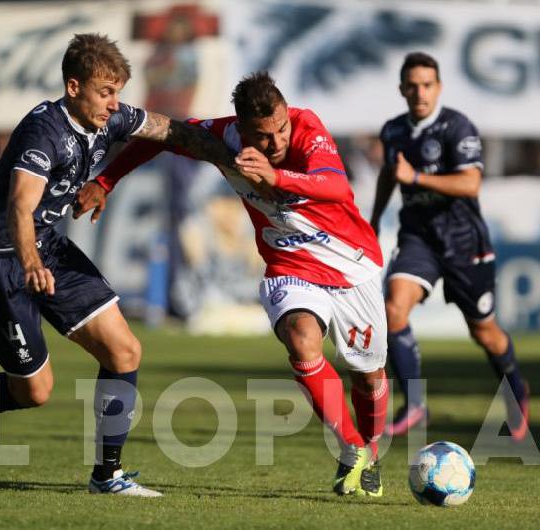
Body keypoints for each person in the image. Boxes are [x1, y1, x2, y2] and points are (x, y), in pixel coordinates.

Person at [0, 33, 234, 497]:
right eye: (104, 92)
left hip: (46, 248)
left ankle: (107, 477)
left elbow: (173, 132)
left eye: (117, 93)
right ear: (74, 87)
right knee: (35, 392)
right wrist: (30, 264)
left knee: (124, 351)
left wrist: (235, 159)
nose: (114, 104)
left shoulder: (108, 116)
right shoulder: (44, 132)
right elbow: (18, 207)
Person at [75, 72, 390, 497]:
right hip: (290, 264)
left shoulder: (308, 128)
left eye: (281, 129)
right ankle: (352, 447)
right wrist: (105, 180)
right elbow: (163, 136)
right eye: (263, 136)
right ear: (242, 129)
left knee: (369, 377)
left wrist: (277, 177)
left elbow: (335, 186)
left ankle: (370, 451)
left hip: (353, 266)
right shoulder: (224, 137)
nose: (276, 142)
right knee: (301, 340)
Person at [368, 52, 529, 440]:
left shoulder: (457, 127)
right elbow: (390, 176)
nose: (420, 92)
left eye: (427, 85)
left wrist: (417, 177)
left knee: (485, 332)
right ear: (402, 89)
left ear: (438, 87)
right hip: (417, 238)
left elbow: (470, 183)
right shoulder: (393, 131)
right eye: (413, 85)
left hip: (463, 242)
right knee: (393, 307)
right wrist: (373, 219)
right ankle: (416, 404)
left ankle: (517, 389)